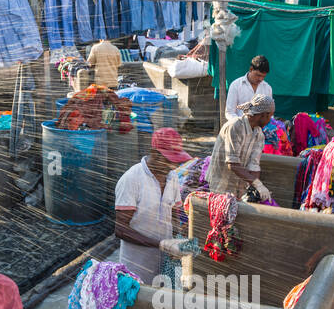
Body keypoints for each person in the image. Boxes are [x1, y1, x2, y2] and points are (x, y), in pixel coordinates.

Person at [113, 127, 191, 282]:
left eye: (175, 161)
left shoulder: (172, 177)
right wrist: (162, 244)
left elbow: (174, 213)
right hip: (137, 266)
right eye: (169, 161)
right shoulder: (131, 179)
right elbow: (121, 230)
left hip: (164, 263)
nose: (172, 166)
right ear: (155, 153)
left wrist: (178, 237)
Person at [205, 94, 274, 199]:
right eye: (270, 116)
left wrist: (256, 186)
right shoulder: (235, 126)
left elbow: (254, 164)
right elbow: (232, 164)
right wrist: (257, 184)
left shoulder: (259, 134)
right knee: (220, 209)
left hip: (239, 185)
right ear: (263, 115)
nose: (270, 120)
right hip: (221, 181)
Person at [224, 55, 273, 119]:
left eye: (263, 76)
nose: (260, 79)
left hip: (262, 128)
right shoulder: (236, 85)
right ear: (251, 69)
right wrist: (242, 124)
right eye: (258, 75)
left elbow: (269, 113)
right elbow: (229, 112)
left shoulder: (267, 88)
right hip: (240, 127)